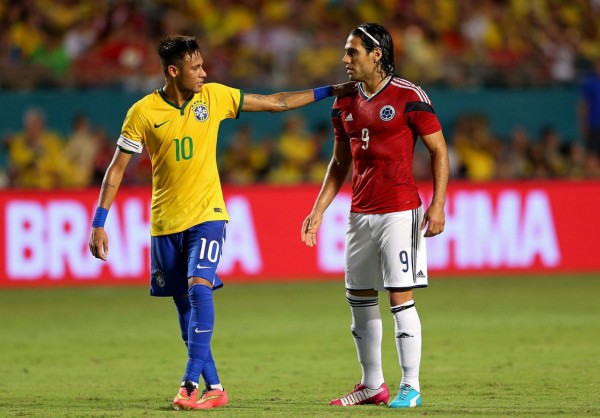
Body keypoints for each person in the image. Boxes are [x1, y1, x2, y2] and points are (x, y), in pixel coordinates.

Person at [88, 35, 353, 410]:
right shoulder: (142, 113)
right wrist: (99, 221)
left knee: (200, 288)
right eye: (195, 68)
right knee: (184, 308)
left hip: (208, 215)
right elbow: (116, 171)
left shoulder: (214, 97)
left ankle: (188, 384)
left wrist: (332, 89)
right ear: (173, 71)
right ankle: (215, 387)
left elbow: (276, 102)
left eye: (203, 65)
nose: (204, 73)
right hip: (165, 222)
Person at [301, 23, 449, 409]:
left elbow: (438, 151)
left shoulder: (408, 95)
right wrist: (317, 210)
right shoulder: (343, 102)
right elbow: (338, 162)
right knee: (359, 298)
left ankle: (411, 386)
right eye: (346, 52)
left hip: (399, 211)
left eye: (353, 52)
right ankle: (372, 385)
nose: (345, 59)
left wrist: (438, 204)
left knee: (400, 298)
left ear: (376, 55)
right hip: (359, 213)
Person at [579, 58, 600, 158]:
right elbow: (583, 104)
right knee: (593, 154)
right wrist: (583, 123)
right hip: (594, 125)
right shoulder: (590, 82)